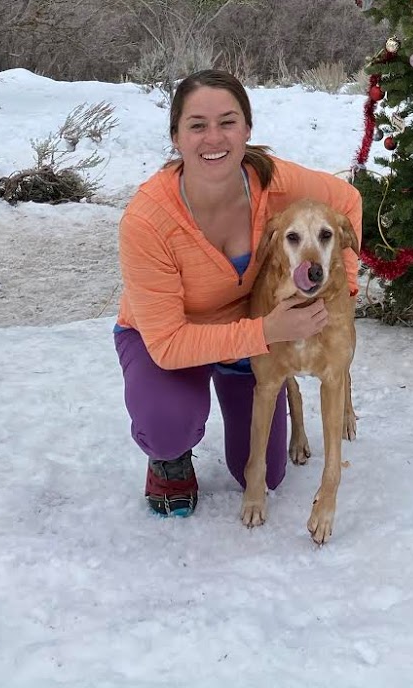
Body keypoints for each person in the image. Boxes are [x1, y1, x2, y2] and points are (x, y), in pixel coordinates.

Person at [114, 68, 363, 516]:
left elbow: (345, 203)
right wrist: (265, 330)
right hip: (168, 339)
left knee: (267, 475)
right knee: (167, 420)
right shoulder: (147, 220)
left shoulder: (276, 183)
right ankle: (169, 461)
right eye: (197, 125)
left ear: (247, 129)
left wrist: (339, 289)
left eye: (228, 122)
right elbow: (169, 344)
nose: (214, 138)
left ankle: (232, 383)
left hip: (251, 339)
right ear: (175, 137)